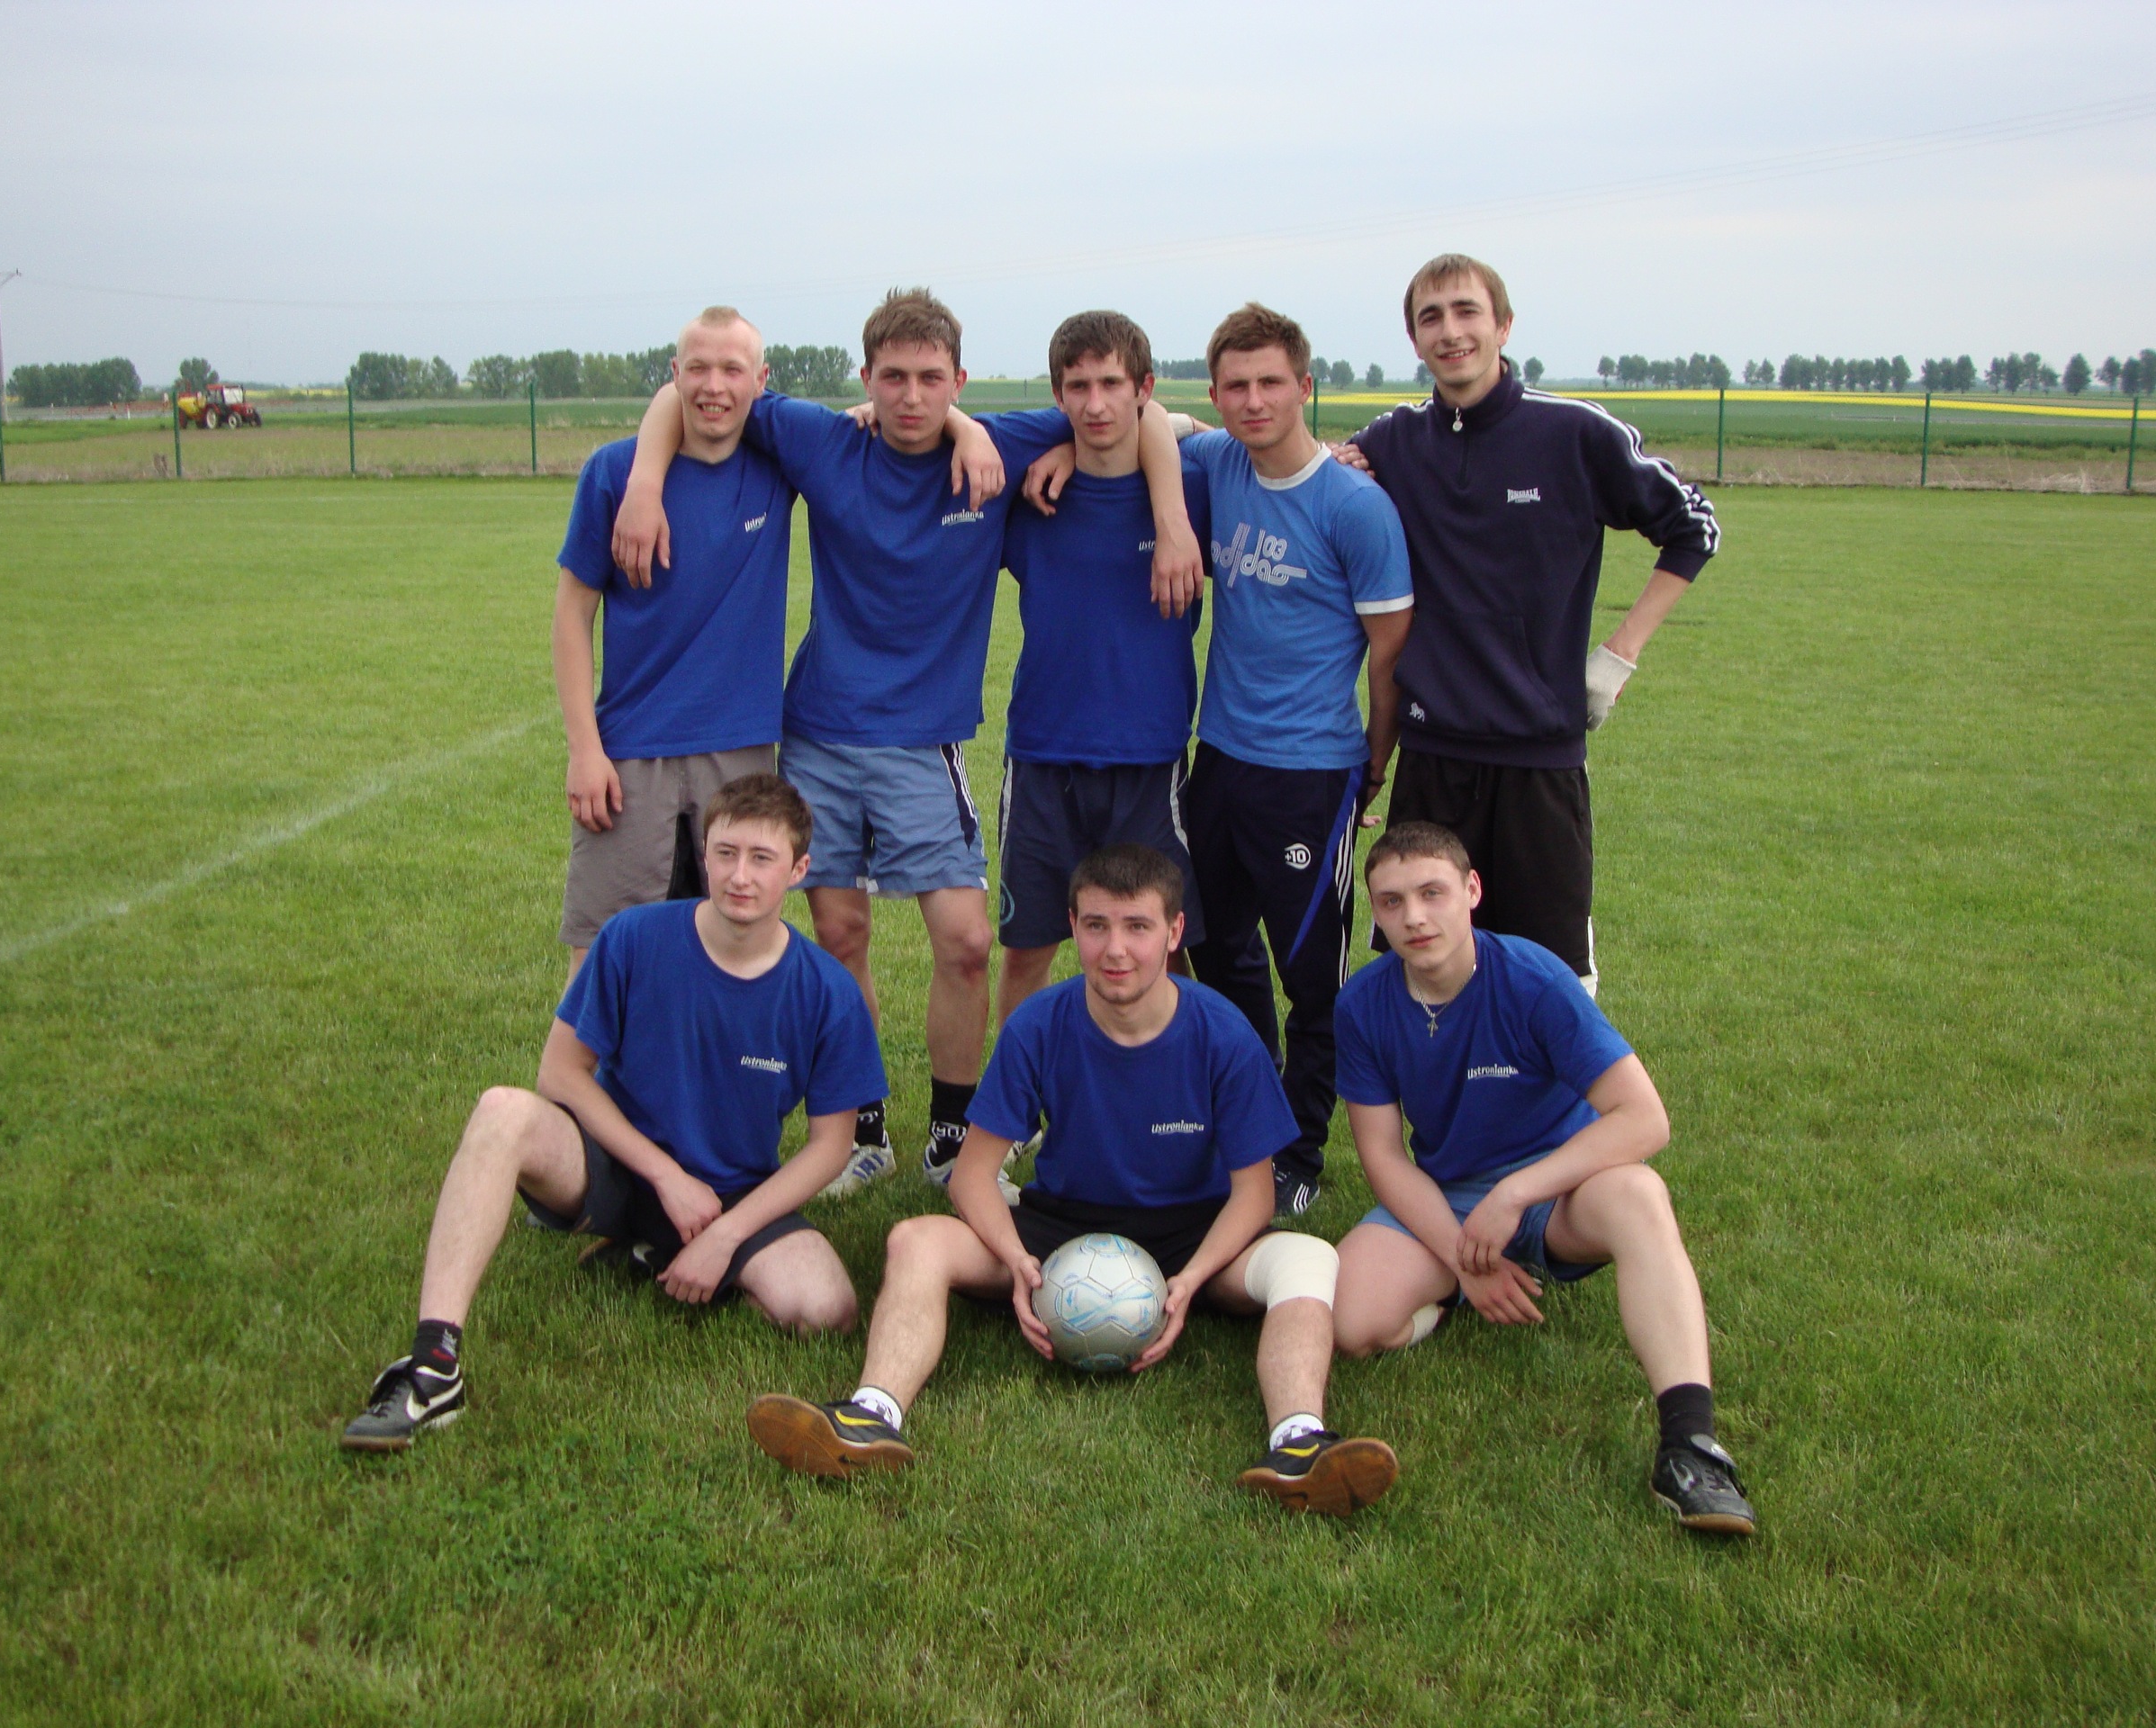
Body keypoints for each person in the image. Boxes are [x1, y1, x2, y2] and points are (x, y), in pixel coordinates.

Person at [613, 289, 1200, 1199]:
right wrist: (644, 487)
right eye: (893, 378)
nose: (912, 396)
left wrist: (1153, 511)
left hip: (924, 744)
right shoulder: (824, 443)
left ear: (959, 380)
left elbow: (1151, 413)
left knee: (966, 941)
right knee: (838, 931)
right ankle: (863, 1131)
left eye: (932, 379)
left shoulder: (1001, 444)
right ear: (867, 378)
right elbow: (683, 390)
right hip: (819, 734)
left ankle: (955, 1135)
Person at [746, 844, 1399, 1516]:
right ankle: (870, 1415)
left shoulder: (1224, 1035)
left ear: (1174, 931)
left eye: (1138, 927)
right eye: (1096, 926)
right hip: (1060, 1226)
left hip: (1193, 1234)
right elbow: (973, 1177)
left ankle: (1299, 1442)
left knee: (1308, 1257)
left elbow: (1255, 1194)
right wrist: (1017, 1263)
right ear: (1073, 926)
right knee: (916, 1239)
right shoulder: (1040, 1023)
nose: (1115, 949)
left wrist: (1191, 1281)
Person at [338, 776, 884, 1452]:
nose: (739, 876)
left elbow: (831, 1146)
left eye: (762, 858)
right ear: (705, 855)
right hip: (615, 1165)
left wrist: (725, 1235)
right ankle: (433, 1364)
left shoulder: (827, 991)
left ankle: (650, 1253)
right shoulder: (633, 937)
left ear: (799, 870)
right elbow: (560, 1073)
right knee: (503, 1111)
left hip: (730, 1193)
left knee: (827, 1309)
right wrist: (664, 1175)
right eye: (725, 853)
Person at [1028, 303, 1413, 1217]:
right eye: (1235, 385)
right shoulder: (1217, 465)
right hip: (1218, 761)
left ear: (1305, 387)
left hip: (1311, 774)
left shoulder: (1356, 507)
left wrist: (1371, 769)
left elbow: (1391, 659)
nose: (1252, 401)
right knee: (1212, 947)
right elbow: (1144, 420)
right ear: (1215, 392)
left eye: (1270, 382)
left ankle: (1299, 1152)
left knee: (1308, 973)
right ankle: (1247, 1117)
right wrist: (1063, 450)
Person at [1330, 822, 1755, 1535]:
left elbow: (1644, 1119)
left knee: (1640, 1195)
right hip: (1451, 1194)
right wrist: (1462, 1260)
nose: (1415, 917)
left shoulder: (1533, 978)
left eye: (1433, 893)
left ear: (1472, 890)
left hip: (1560, 1191)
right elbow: (1383, 1157)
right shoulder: (1363, 1003)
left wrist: (1518, 1192)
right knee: (1348, 1321)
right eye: (1393, 902)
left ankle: (1691, 1447)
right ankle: (1453, 1297)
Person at [1338, 254, 1719, 994]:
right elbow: (1313, 479)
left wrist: (1621, 653)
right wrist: (1338, 465)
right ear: (1414, 340)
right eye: (1431, 318)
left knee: (1552, 984)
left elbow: (1694, 526)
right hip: (1433, 760)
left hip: (1539, 764)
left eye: (1467, 311)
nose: (1451, 332)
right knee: (1422, 968)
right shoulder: (1393, 441)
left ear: (1504, 325)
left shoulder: (1573, 432)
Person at [553, 306, 790, 982]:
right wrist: (585, 750)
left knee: (738, 946)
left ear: (761, 381)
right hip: (630, 755)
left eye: (733, 370)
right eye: (698, 368)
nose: (714, 386)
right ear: (674, 373)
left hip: (740, 749)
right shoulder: (613, 473)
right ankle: (589, 1061)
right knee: (606, 955)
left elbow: (877, 423)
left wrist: (962, 427)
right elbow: (572, 614)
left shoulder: (778, 464)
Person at [994, 310, 1210, 1027]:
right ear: (1057, 395)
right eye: (1078, 387)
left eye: (1112, 384)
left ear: (1143, 388)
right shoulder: (1031, 497)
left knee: (1165, 946)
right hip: (1043, 756)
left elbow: (1197, 433)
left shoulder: (1194, 491)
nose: (1095, 404)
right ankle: (1021, 1087)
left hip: (1148, 760)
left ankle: (1168, 1076)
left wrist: (1172, 519)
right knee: (1027, 949)